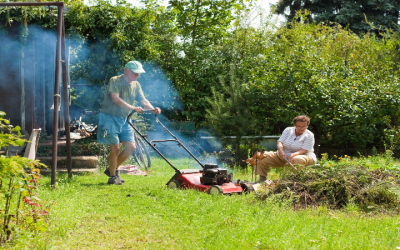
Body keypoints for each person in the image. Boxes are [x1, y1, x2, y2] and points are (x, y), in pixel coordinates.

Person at [97, 61, 161, 185]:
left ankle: (112, 169)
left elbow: (144, 101)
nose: (137, 75)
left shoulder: (136, 84)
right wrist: (132, 108)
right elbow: (115, 99)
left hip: (125, 119)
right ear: (126, 70)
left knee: (131, 147)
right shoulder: (115, 80)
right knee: (115, 148)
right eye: (135, 73)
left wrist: (153, 109)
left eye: (139, 73)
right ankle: (112, 177)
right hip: (109, 118)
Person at [255, 115, 316, 182]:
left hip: (304, 156)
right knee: (261, 156)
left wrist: (293, 154)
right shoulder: (288, 130)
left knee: (297, 159)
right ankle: (262, 179)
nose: (301, 128)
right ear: (294, 125)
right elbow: (280, 142)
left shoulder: (309, 135)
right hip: (283, 156)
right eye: (299, 126)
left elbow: (304, 150)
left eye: (304, 126)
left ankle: (293, 181)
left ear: (307, 125)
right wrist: (280, 150)